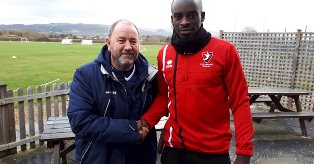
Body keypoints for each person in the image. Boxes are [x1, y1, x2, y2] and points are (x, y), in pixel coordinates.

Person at [140, 0, 254, 163]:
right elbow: (164, 97)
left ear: (202, 16)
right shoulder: (164, 54)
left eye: (192, 15)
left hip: (213, 152)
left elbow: (240, 102)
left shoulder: (226, 51)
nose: (184, 21)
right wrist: (147, 120)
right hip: (174, 150)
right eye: (178, 17)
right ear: (172, 19)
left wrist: (244, 151)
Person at [67, 19, 158, 164]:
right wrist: (131, 130)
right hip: (99, 159)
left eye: (133, 41)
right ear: (108, 43)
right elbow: (80, 121)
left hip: (141, 157)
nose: (128, 47)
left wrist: (148, 121)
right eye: (121, 40)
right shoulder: (85, 75)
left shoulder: (151, 76)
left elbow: (163, 102)